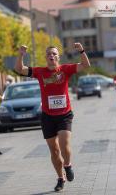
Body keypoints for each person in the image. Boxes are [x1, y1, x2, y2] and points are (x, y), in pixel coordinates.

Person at [14, 43, 90, 192]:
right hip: (48, 116)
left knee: (64, 144)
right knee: (54, 151)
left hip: (64, 115)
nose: (51, 56)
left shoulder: (65, 69)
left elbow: (86, 65)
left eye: (54, 54)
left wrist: (81, 50)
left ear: (58, 57)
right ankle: (60, 178)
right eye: (49, 54)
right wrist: (21, 54)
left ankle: (67, 165)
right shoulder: (40, 72)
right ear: (46, 57)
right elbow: (19, 69)